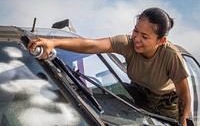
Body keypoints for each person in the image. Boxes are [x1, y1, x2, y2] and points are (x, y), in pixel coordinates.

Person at [28, 7, 191, 126]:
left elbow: (183, 92)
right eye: (135, 31)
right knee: (91, 98)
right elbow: (92, 45)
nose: (137, 39)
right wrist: (53, 42)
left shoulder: (170, 55)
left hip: (166, 103)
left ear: (160, 40)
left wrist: (182, 121)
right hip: (138, 92)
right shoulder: (127, 43)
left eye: (145, 36)